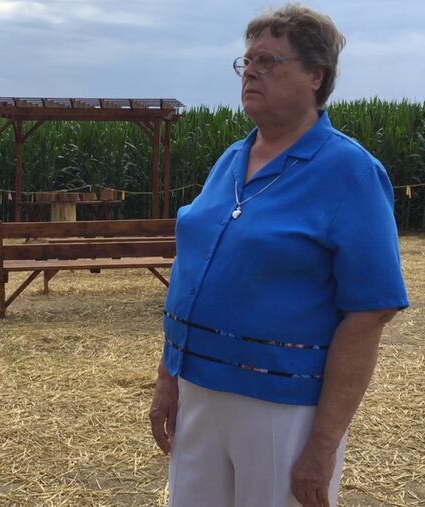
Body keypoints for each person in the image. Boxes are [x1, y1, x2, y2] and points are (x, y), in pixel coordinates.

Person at [149, 4, 408, 507]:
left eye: (269, 60)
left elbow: (370, 310)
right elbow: (192, 276)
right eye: (246, 61)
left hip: (281, 405)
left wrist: (323, 445)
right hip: (198, 390)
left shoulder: (350, 172)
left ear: (316, 75)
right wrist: (168, 379)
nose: (251, 72)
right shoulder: (230, 160)